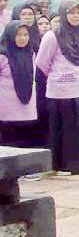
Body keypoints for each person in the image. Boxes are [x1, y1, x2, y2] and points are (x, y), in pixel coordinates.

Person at [36, 1, 79, 173]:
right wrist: (59, 77)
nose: (76, 16)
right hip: (60, 92)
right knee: (64, 131)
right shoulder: (52, 36)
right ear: (63, 14)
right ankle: (62, 165)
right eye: (71, 12)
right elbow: (41, 63)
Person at [0, 21, 40, 149]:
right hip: (6, 111)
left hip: (27, 108)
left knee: (26, 147)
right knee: (9, 147)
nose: (23, 38)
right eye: (18, 35)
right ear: (10, 35)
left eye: (25, 34)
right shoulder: (2, 56)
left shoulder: (31, 53)